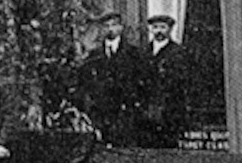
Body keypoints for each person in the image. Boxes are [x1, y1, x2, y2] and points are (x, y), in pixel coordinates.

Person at [76, 11, 148, 147]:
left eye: (114, 25)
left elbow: (141, 82)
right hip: (102, 112)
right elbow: (86, 83)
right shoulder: (94, 56)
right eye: (106, 26)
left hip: (126, 112)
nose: (110, 29)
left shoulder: (134, 54)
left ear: (121, 27)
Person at [138, 15, 190, 149]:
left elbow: (179, 81)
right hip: (146, 109)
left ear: (170, 29)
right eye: (155, 27)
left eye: (162, 27)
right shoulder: (143, 52)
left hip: (168, 109)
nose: (159, 31)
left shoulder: (178, 52)